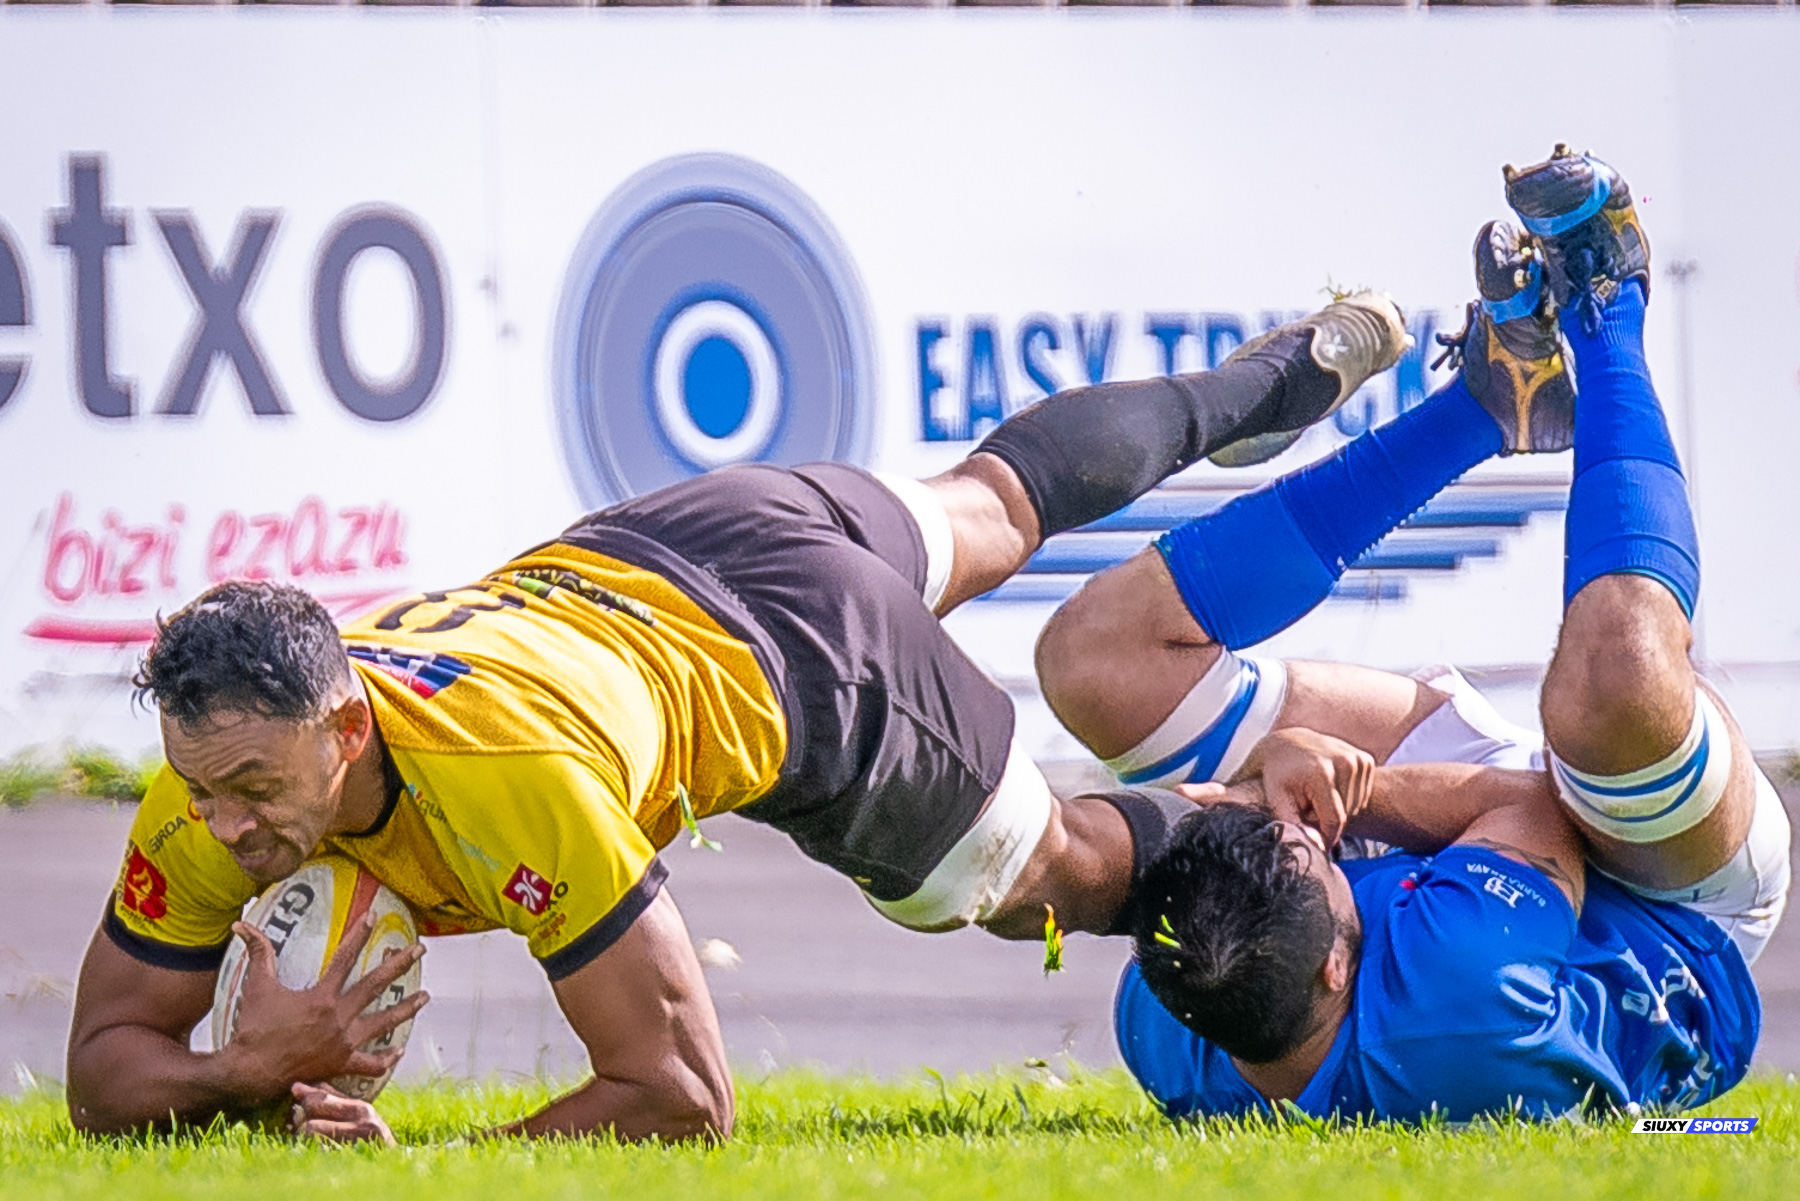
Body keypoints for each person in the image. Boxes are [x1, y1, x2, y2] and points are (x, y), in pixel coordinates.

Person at [66, 273, 1411, 1140]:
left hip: (806, 664)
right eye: (202, 781)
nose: (223, 822)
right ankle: (1273, 380)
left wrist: (410, 1168)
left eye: (253, 786)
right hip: (689, 534)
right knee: (997, 503)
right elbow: (100, 1070)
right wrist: (239, 1076)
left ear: (345, 729)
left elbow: (684, 1096)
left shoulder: (505, 784)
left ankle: (1282, 806)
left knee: (1047, 879)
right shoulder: (218, 772)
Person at [1037, 147, 1791, 1122]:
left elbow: (1214, 868)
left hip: (1461, 852)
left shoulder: (1176, 1005)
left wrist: (1266, 792)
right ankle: (1607, 305)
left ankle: (1492, 401)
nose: (1294, 820)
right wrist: (1349, 788)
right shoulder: (1455, 1002)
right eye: (1308, 842)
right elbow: (1534, 803)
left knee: (1094, 661)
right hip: (1654, 895)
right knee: (1608, 686)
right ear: (1341, 962)